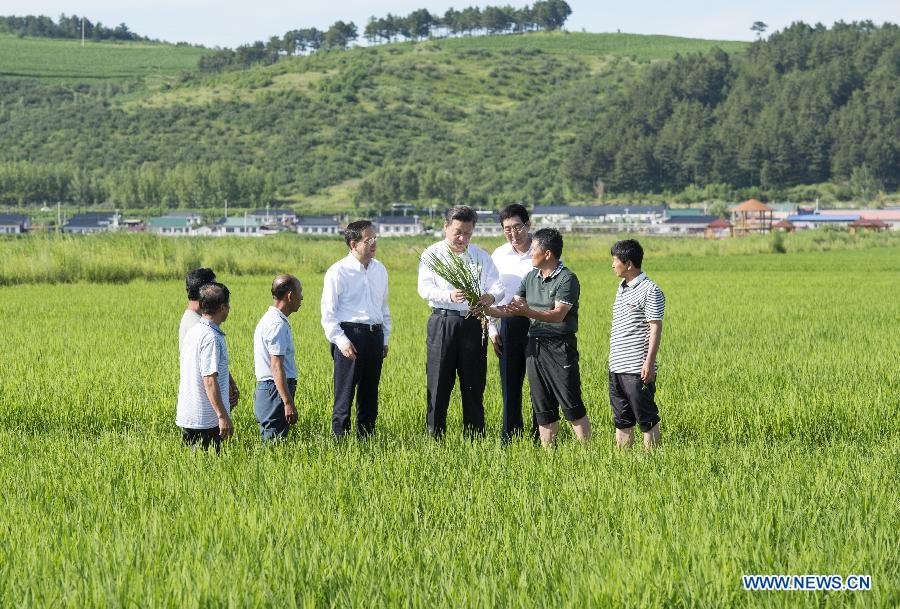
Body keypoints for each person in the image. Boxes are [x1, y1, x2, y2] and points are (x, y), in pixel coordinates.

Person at [490, 228, 591, 447]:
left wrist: (528, 313)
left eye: (534, 248)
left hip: (559, 346)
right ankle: (548, 456)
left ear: (547, 254)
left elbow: (558, 315)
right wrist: (488, 310)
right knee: (542, 406)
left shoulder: (567, 279)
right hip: (534, 346)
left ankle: (587, 454)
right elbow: (512, 307)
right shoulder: (530, 277)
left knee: (571, 403)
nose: (530, 252)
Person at [417, 205, 504, 437]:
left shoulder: (480, 256)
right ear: (445, 227)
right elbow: (424, 288)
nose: (462, 238)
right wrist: (448, 295)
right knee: (438, 385)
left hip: (474, 323)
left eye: (467, 233)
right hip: (442, 323)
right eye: (457, 232)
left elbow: (498, 286)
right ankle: (435, 438)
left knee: (474, 384)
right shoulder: (432, 254)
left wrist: (490, 296)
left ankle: (475, 437)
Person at [321, 220, 392, 438]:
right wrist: (341, 341)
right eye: (368, 240)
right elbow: (328, 313)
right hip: (350, 336)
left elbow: (383, 307)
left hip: (375, 335)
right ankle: (340, 442)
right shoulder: (338, 271)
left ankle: (366, 440)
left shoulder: (380, 269)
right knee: (344, 395)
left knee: (370, 395)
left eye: (375, 239)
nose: (373, 244)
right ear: (353, 244)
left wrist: (385, 338)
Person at [608, 239, 665, 450]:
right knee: (622, 419)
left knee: (647, 419)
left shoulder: (651, 290)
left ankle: (652, 461)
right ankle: (624, 465)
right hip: (616, 366)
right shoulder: (621, 288)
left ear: (628, 263)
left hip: (636, 369)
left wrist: (648, 364)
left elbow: (655, 328)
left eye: (615, 261)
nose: (613, 265)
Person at [489, 204, 538, 443]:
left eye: (517, 227)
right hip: (508, 324)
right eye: (506, 229)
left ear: (528, 226)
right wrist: (491, 328)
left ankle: (541, 435)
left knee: (540, 384)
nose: (513, 233)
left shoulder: (542, 251)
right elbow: (488, 292)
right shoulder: (498, 255)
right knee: (510, 383)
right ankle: (510, 436)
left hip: (539, 323)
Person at [176, 282, 235, 452]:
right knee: (207, 470)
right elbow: (209, 379)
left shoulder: (194, 332)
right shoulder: (211, 337)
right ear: (223, 307)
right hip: (206, 420)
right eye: (228, 305)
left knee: (192, 470)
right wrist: (222, 415)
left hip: (190, 415)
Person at [253, 274, 303, 441]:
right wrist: (288, 402)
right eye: (299, 292)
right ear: (290, 295)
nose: (301, 297)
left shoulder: (272, 320)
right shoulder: (277, 324)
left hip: (272, 390)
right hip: (275, 391)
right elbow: (276, 366)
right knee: (273, 444)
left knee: (274, 442)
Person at [180, 268, 239, 409]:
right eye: (213, 286)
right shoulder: (197, 325)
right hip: (205, 402)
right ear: (205, 290)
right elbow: (208, 374)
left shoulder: (198, 320)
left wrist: (230, 383)